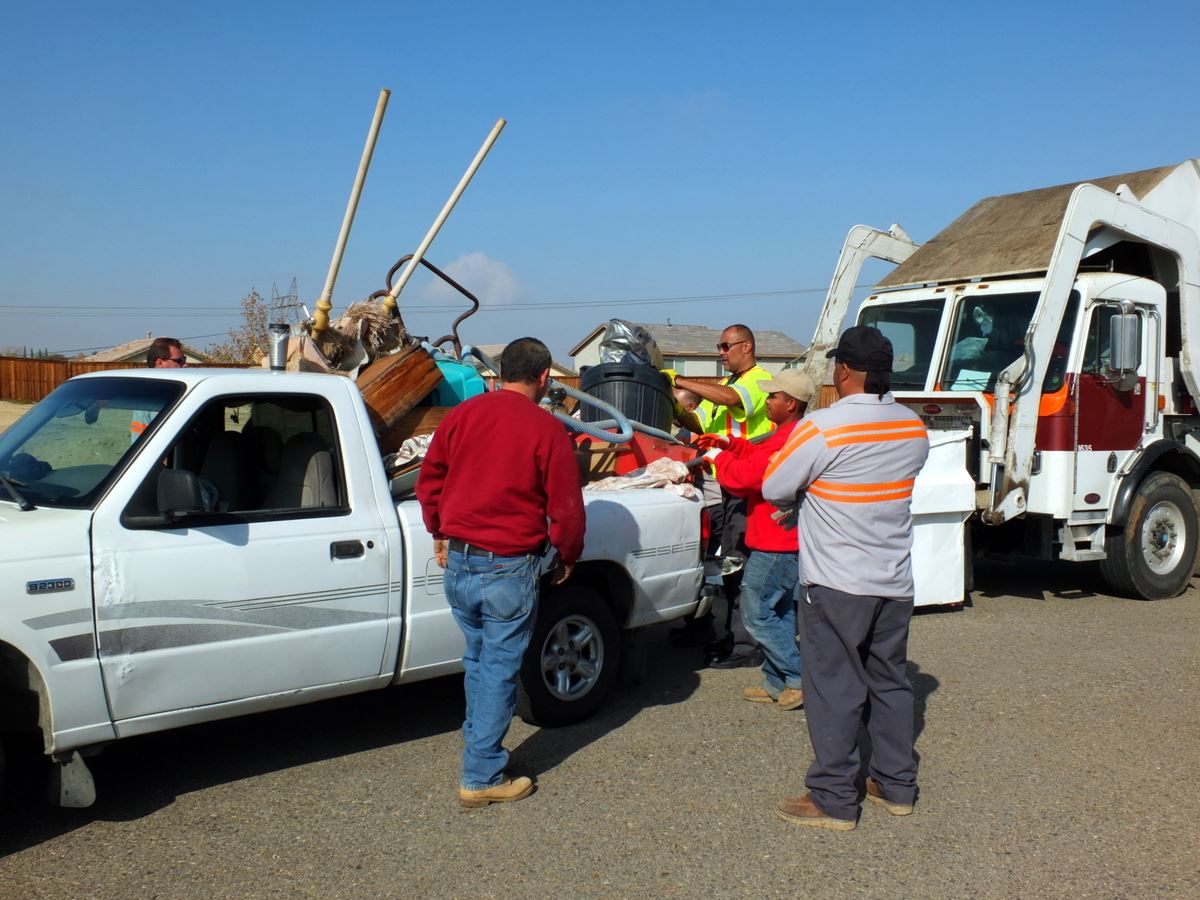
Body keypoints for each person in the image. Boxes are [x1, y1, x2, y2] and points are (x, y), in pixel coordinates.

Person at [762, 325, 930, 831]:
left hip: (836, 581)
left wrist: (807, 500)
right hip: (894, 581)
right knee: (890, 682)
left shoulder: (824, 427)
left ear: (842, 371)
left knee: (834, 686)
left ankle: (835, 797)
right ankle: (895, 785)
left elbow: (775, 486)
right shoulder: (912, 427)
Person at [416, 337, 585, 808]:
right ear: (545, 378)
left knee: (478, 657)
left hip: (460, 561)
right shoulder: (546, 429)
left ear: (501, 371)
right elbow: (566, 507)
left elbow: (431, 478)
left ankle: (479, 745)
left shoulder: (463, 415)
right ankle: (482, 773)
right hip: (508, 565)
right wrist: (568, 552)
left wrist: (439, 531)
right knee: (498, 668)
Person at [695, 368, 814, 710]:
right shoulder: (790, 433)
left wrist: (718, 457)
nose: (767, 401)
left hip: (775, 543)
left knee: (756, 611)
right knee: (778, 610)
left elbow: (745, 478)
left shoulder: (787, 439)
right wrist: (727, 443)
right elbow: (757, 451)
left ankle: (797, 676)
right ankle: (777, 681)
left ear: (790, 403)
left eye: (773, 396)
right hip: (781, 540)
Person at [666, 325, 775, 668]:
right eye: (719, 346)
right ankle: (727, 635)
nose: (721, 353)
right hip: (726, 487)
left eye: (725, 347)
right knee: (726, 564)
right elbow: (699, 424)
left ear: (746, 346)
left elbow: (732, 401)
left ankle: (746, 646)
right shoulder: (727, 386)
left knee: (740, 566)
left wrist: (680, 381)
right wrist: (672, 403)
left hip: (750, 487)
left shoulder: (759, 380)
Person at [131, 337, 188, 442]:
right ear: (160, 363)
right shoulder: (150, 397)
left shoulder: (177, 393)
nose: (185, 365)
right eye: (179, 361)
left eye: (184, 360)